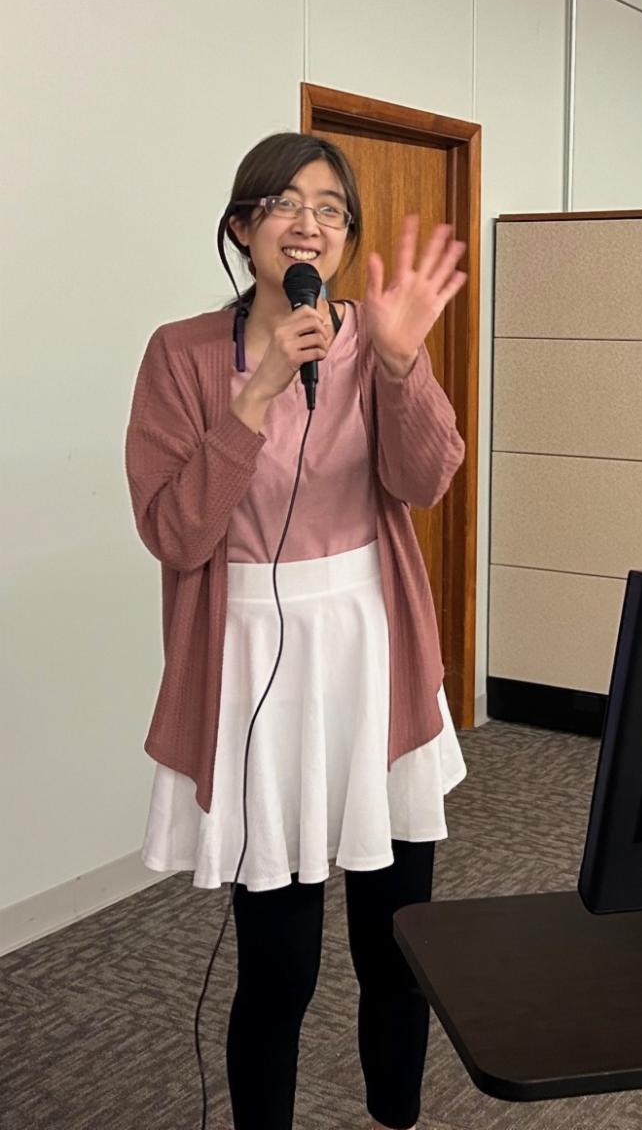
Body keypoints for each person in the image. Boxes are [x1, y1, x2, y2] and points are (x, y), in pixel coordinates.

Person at [124, 131, 468, 1130]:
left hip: (374, 655)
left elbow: (426, 480)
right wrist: (259, 391)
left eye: (329, 209)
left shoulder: (378, 337)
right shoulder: (181, 354)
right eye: (283, 205)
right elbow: (174, 531)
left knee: (398, 950)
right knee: (280, 969)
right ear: (241, 228)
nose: (308, 224)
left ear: (345, 236)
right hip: (250, 667)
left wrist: (402, 368)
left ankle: (396, 1116)